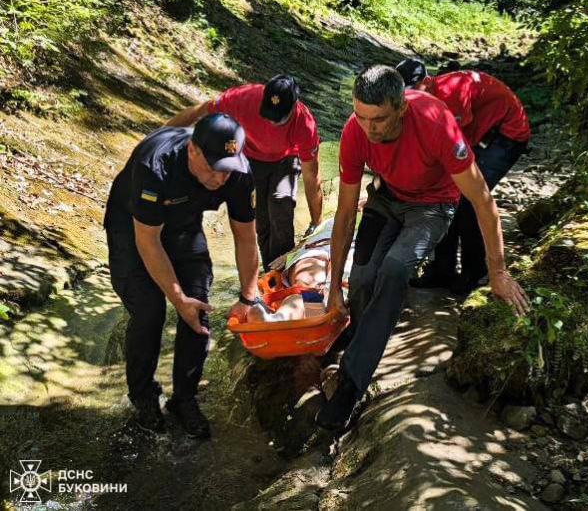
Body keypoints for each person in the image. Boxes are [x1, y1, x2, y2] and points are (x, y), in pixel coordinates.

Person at [315, 65, 530, 431]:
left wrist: (498, 272)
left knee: (396, 269)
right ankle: (359, 337)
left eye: (379, 119)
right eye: (362, 117)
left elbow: (482, 201)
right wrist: (334, 286)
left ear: (401, 108)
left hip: (433, 205)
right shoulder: (355, 131)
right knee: (363, 277)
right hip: (387, 199)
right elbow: (346, 213)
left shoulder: (436, 123)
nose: (370, 128)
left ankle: (350, 387)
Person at [104, 113, 261, 439]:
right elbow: (147, 242)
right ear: (193, 150)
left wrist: (249, 296)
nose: (221, 178)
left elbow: (246, 237)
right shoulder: (155, 165)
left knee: (199, 307)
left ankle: (184, 399)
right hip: (132, 227)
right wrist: (177, 298)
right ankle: (143, 396)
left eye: (228, 168)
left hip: (184, 224)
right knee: (149, 310)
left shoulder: (239, 173)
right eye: (214, 167)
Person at [396, 58, 531, 294]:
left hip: (507, 133)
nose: (409, 99)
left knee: (469, 201)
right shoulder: (423, 102)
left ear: (427, 82)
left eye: (412, 92)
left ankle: (475, 272)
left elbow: (458, 147)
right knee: (446, 196)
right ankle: (442, 269)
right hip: (478, 131)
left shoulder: (452, 94)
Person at [165, 75, 323, 270]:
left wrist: (316, 222)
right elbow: (200, 110)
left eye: (279, 119)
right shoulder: (244, 98)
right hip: (251, 158)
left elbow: (311, 176)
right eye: (269, 115)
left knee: (280, 202)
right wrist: (160, 137)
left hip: (286, 159)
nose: (273, 123)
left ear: (293, 106)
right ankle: (270, 270)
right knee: (261, 217)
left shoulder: (305, 124)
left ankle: (284, 270)